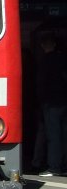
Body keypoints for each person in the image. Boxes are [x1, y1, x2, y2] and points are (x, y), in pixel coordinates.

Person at [36, 31, 67, 176]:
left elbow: (41, 84)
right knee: (64, 135)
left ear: (43, 45)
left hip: (51, 103)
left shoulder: (44, 61)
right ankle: (64, 166)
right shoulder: (63, 59)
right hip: (63, 101)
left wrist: (41, 101)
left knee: (53, 136)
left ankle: (54, 167)